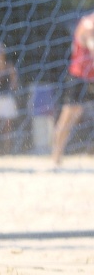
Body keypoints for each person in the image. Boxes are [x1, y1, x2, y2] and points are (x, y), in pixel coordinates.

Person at [52, 11, 94, 165]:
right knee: (69, 116)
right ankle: (56, 155)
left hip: (91, 77)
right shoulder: (88, 23)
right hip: (79, 77)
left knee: (73, 115)